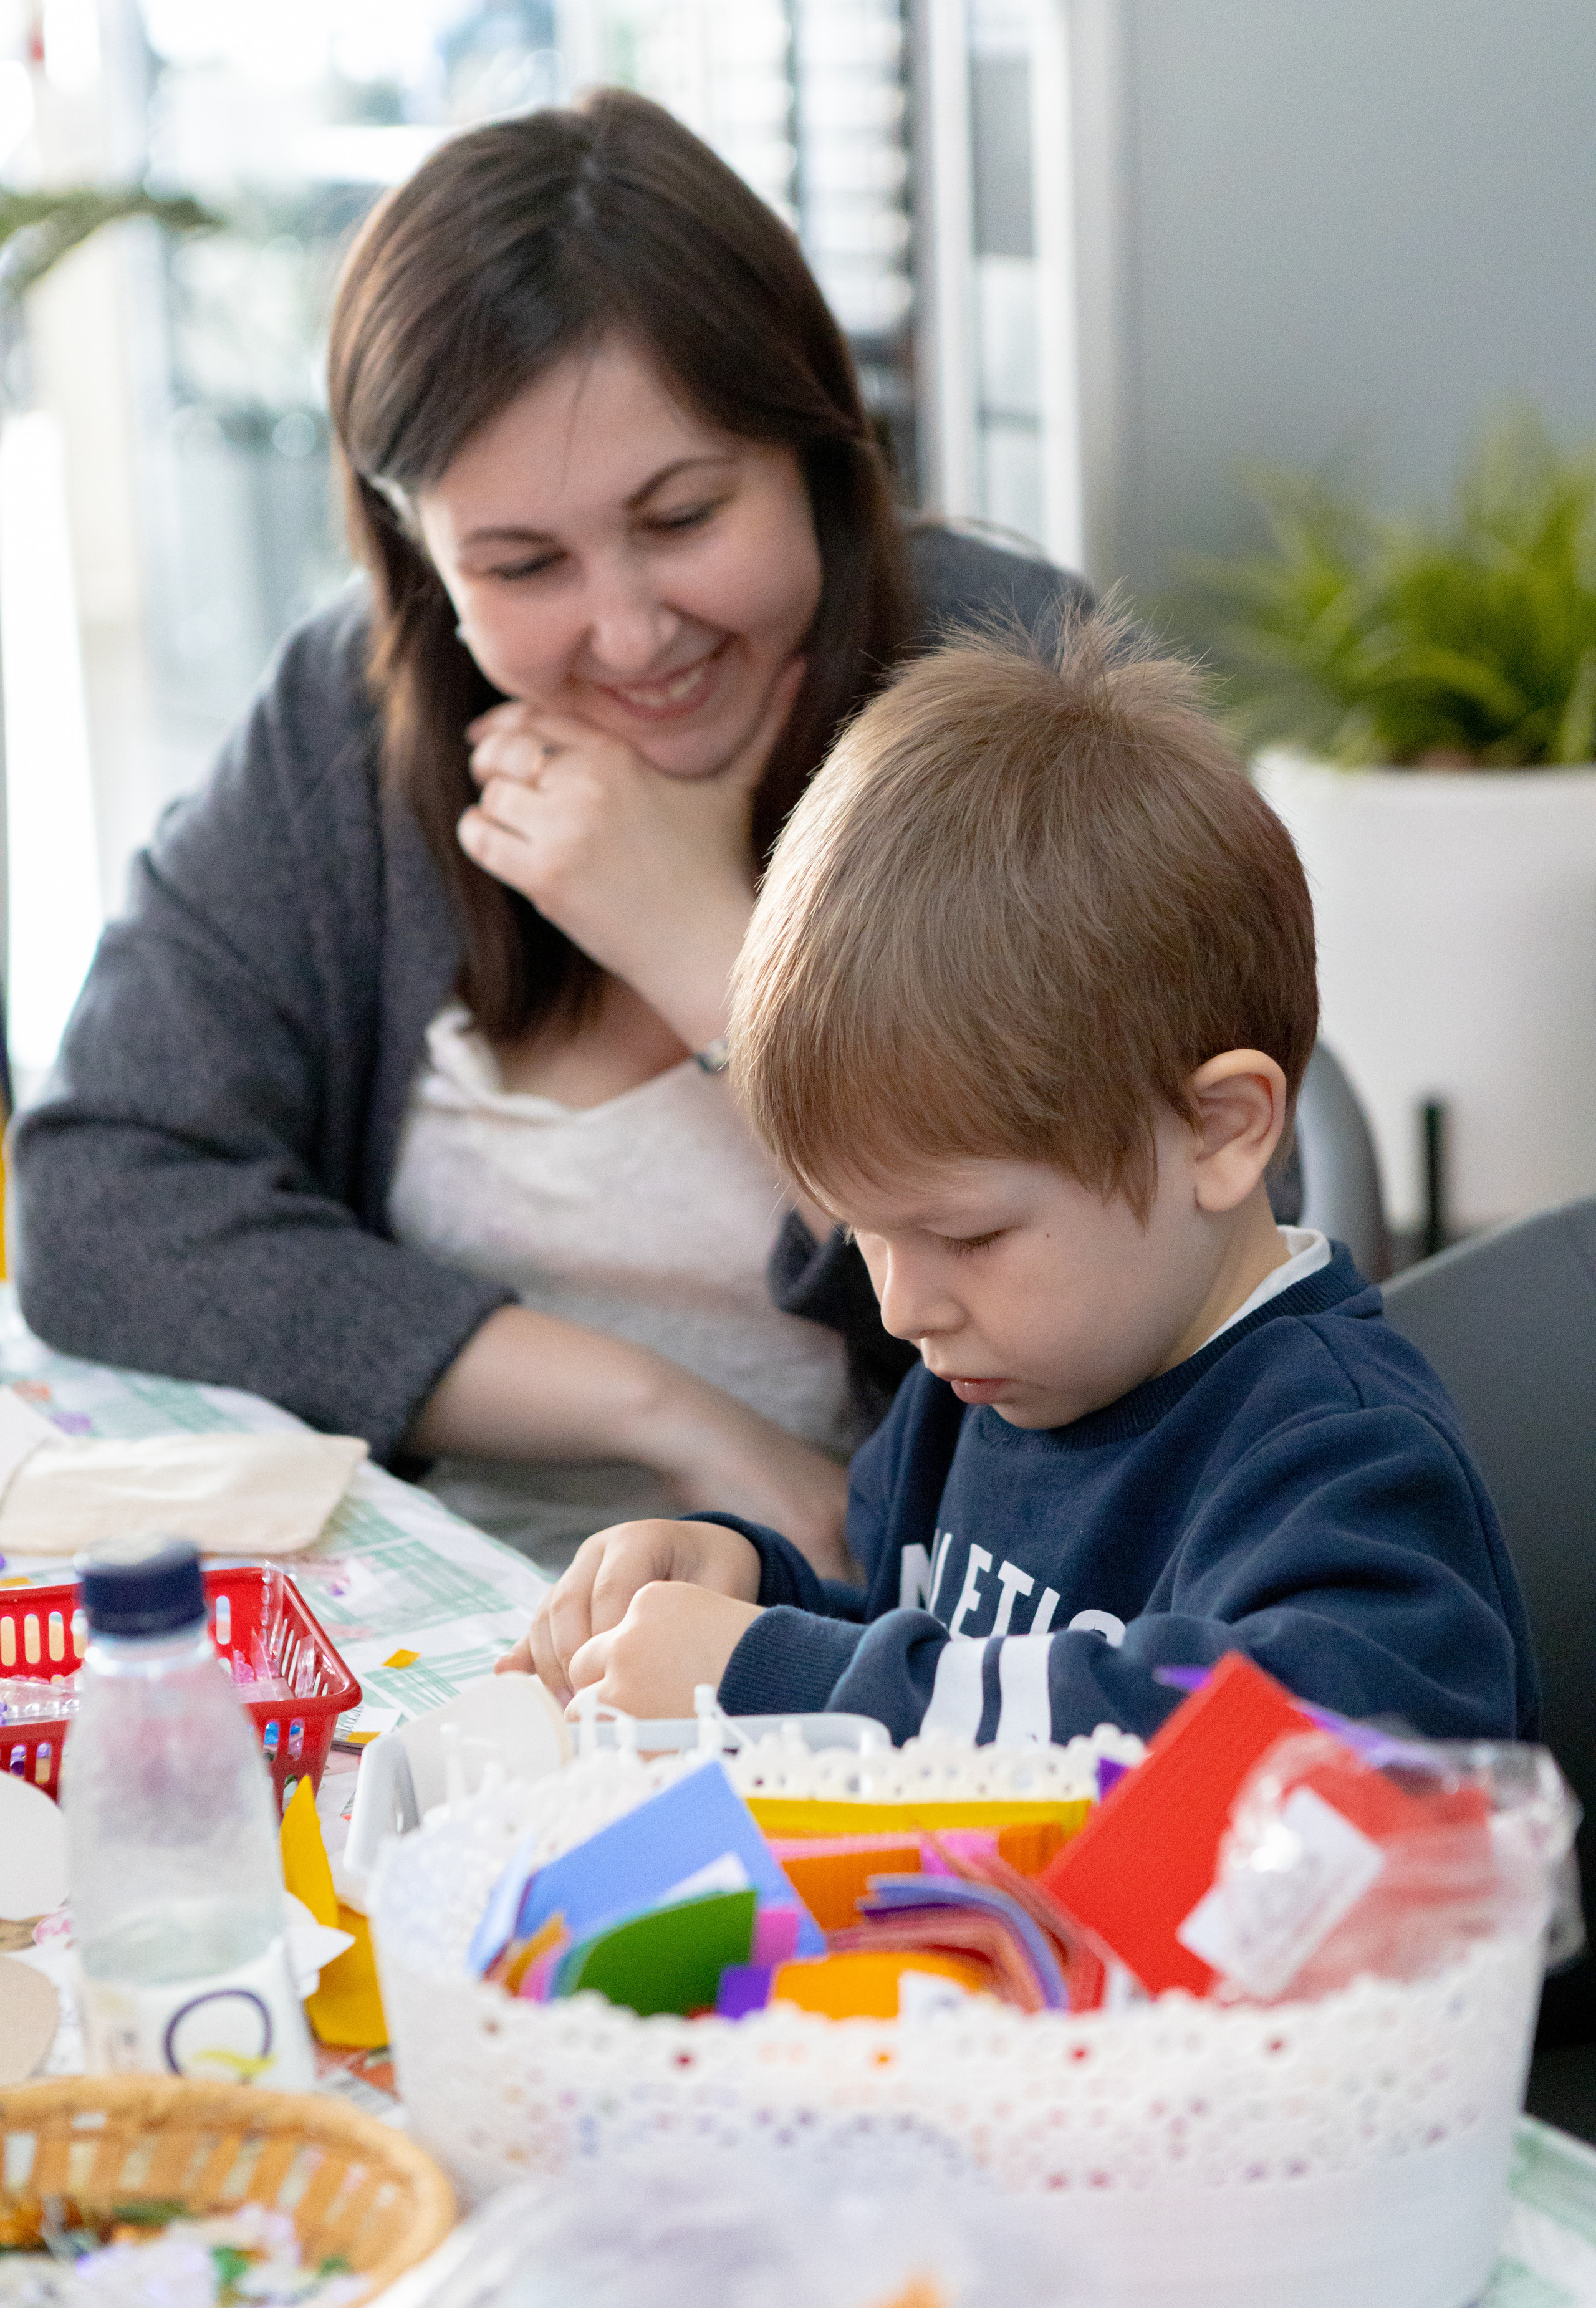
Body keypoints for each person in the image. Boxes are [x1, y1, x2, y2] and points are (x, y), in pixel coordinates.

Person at [10, 92, 1089, 1576]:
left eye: (683, 517)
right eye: (522, 564)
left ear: (815, 453)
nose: (631, 632)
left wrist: (713, 955)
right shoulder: (355, 714)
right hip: (452, 1606)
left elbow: (1133, 1246)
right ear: (421, 557)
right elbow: (102, 1195)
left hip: (895, 1636)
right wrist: (662, 1411)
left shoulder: (1009, 681)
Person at [506, 613, 1538, 1746]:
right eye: (864, 1235)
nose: (904, 1308)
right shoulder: (992, 1376)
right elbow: (936, 1659)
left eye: (970, 1234)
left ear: (1218, 1132)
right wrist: (753, 1591)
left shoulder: (1333, 1451)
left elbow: (1318, 1755)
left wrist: (787, 1678)